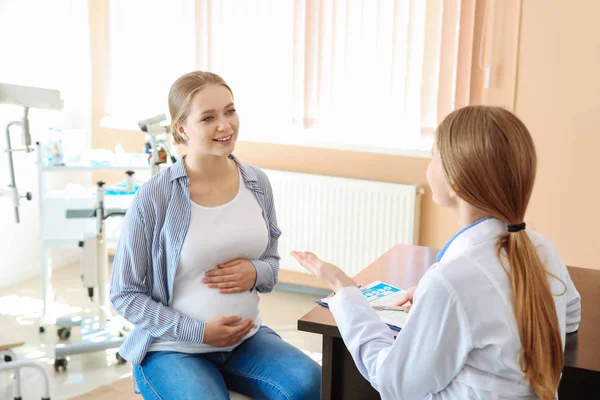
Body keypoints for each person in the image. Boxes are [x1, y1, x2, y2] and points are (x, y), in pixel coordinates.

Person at [292, 105, 581, 400]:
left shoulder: (452, 281)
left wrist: (345, 290)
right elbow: (570, 318)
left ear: (456, 181)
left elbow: (394, 383)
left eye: (433, 156)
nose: (428, 165)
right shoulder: (541, 249)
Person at [110, 71, 321, 400]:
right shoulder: (154, 197)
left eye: (230, 111)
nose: (225, 125)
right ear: (182, 128)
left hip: (246, 341)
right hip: (173, 349)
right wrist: (199, 332)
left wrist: (256, 271)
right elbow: (125, 294)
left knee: (313, 384)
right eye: (208, 117)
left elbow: (272, 265)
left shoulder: (256, 183)